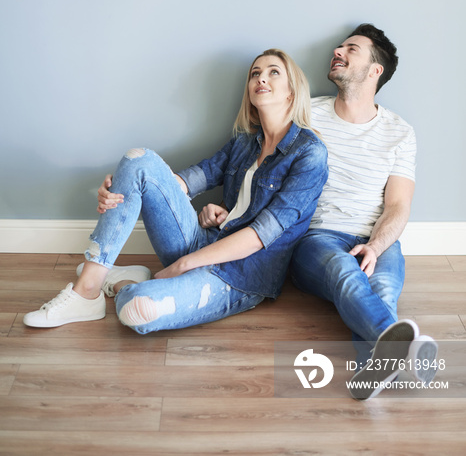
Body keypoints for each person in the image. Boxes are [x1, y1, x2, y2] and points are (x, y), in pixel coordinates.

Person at [23, 49, 328, 333]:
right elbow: (181, 181)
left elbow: (260, 235)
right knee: (138, 160)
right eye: (255, 73)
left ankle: (123, 282)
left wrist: (184, 264)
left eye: (274, 72)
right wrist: (124, 185)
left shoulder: (309, 154)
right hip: (203, 241)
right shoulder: (244, 143)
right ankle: (87, 290)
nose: (261, 78)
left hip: (242, 276)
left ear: (291, 90)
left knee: (136, 309)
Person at [289, 24, 438, 400]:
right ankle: (409, 352)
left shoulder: (400, 132)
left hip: (376, 237)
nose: (338, 51)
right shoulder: (307, 117)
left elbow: (398, 205)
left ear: (375, 70)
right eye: (339, 47)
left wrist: (375, 246)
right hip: (317, 239)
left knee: (383, 288)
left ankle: (374, 367)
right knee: (343, 270)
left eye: (351, 49)